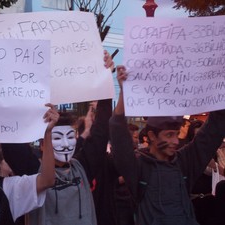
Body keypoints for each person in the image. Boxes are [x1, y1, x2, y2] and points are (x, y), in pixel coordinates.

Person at [109, 65, 225, 225]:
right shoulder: (137, 166)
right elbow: (119, 136)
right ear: (151, 136)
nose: (176, 141)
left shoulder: (185, 161)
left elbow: (212, 131)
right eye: (169, 135)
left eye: (176, 134)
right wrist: (123, 92)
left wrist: (219, 85)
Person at [28, 50, 115, 225]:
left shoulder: (82, 167)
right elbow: (12, 146)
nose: (66, 144)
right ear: (43, 144)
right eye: (58, 138)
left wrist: (106, 82)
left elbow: (100, 132)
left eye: (70, 136)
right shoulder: (32, 172)